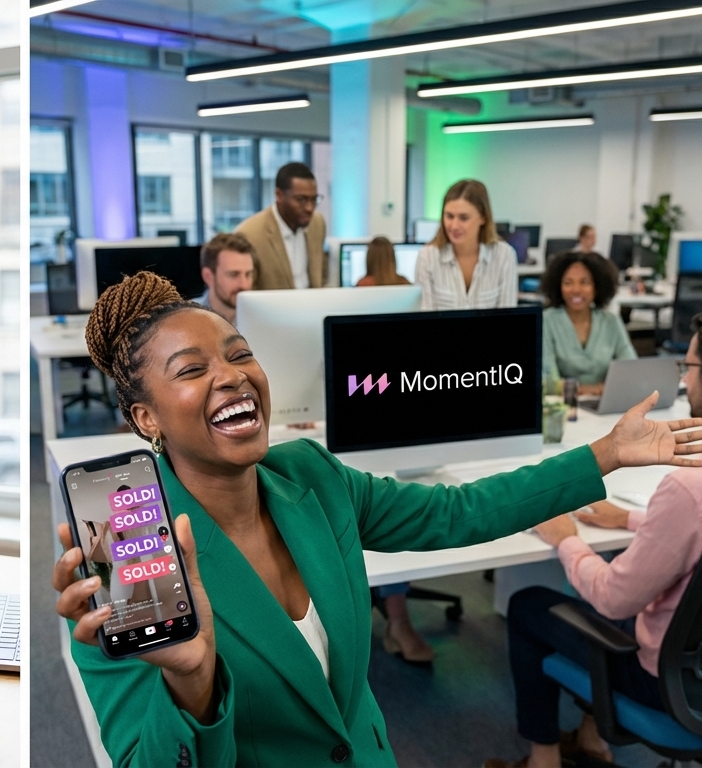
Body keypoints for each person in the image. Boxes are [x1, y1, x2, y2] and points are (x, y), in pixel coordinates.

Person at [51, 271, 702, 767]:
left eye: (239, 354)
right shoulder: (124, 560)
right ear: (146, 419)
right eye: (192, 370)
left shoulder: (309, 473)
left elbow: (460, 511)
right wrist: (190, 682)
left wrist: (603, 455)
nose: (231, 377)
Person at [485, 316, 702, 768]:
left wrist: (567, 540)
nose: (686, 377)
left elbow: (614, 598)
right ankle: (591, 739)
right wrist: (631, 518)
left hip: (671, 685)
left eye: (690, 365)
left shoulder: (688, 489)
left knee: (530, 605)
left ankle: (544, 758)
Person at [541, 251, 635, 396]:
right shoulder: (546, 321)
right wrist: (588, 390)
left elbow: (632, 368)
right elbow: (546, 380)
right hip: (563, 408)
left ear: (597, 286)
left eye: (584, 282)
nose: (576, 290)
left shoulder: (611, 321)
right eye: (568, 283)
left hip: (605, 406)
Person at [414, 179, 517, 311]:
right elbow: (425, 319)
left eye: (463, 218)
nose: (454, 226)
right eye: (449, 216)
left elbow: (508, 319)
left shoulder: (504, 256)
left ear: (483, 218)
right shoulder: (427, 257)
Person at [234, 162, 327, 290]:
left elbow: (321, 273)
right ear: (279, 195)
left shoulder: (317, 223)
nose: (310, 208)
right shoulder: (249, 234)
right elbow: (247, 290)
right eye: (301, 199)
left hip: (314, 306)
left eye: (314, 199)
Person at [195, 232, 255, 325]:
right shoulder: (186, 318)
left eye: (248, 274)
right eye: (233, 274)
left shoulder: (263, 319)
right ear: (208, 276)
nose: (244, 285)